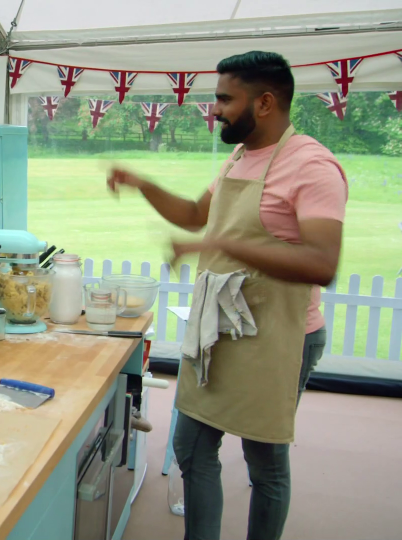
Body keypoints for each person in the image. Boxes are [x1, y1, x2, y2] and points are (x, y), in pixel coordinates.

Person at [108, 51, 346, 540]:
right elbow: (198, 215)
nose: (213, 109)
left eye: (223, 98)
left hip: (280, 338)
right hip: (221, 330)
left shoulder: (314, 166)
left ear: (263, 103)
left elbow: (323, 264)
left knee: (265, 462)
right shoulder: (241, 156)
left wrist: (225, 244)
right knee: (192, 448)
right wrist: (141, 184)